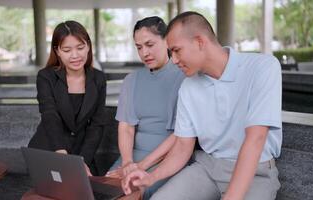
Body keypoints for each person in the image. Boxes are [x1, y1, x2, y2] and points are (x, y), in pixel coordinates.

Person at [123, 11, 282, 200]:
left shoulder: (263, 67)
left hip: (257, 172)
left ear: (199, 42)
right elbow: (182, 146)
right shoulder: (188, 87)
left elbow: (256, 138)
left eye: (176, 50)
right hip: (207, 169)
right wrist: (151, 177)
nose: (173, 60)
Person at [105, 16, 185, 199]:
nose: (144, 53)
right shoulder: (131, 80)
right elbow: (126, 127)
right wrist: (127, 163)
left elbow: (181, 135)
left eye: (150, 44)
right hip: (132, 157)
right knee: (105, 190)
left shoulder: (184, 77)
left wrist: (141, 166)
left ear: (167, 41)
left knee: (130, 193)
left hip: (169, 157)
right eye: (139, 47)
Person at [28, 21, 106, 176]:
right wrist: (61, 155)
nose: (75, 55)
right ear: (57, 51)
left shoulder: (98, 78)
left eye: (80, 47)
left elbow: (97, 124)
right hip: (50, 148)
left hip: (82, 152)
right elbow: (49, 114)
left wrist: (82, 161)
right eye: (67, 50)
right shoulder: (46, 77)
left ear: (88, 46)